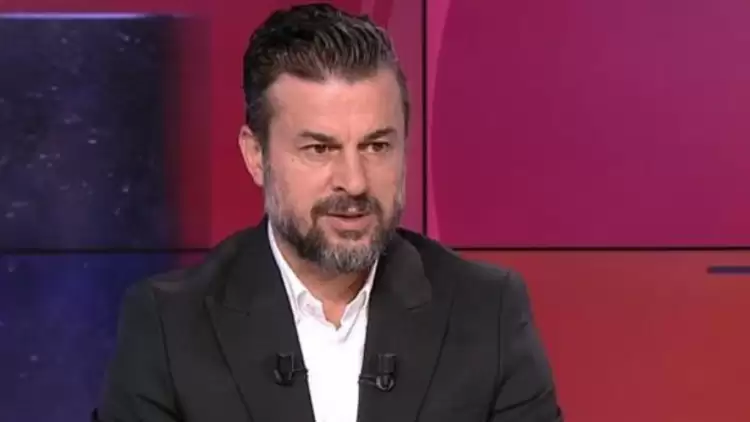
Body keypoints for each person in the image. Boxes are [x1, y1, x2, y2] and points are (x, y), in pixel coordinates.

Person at [93, 3, 563, 421]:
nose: (354, 182)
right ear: (256, 155)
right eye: (320, 149)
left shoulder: (487, 312)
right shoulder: (170, 325)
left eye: (376, 146)